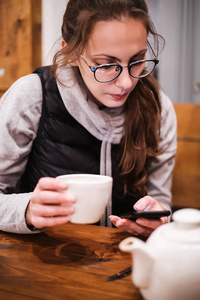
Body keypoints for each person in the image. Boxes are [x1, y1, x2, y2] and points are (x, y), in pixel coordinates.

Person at [0, 0, 177, 235]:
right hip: (43, 263)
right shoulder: (31, 97)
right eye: (105, 65)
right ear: (69, 51)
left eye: (137, 60)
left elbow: (161, 205)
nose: (126, 82)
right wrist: (27, 210)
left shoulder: (158, 108)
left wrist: (157, 224)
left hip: (121, 263)